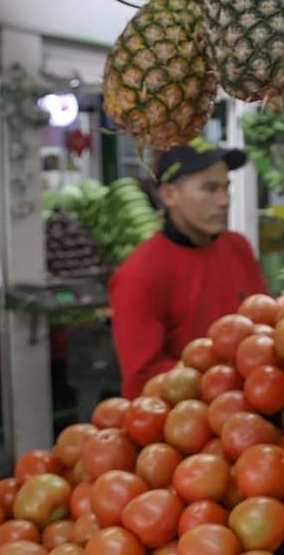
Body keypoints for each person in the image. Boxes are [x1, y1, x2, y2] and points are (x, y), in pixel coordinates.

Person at [109, 137, 268, 398]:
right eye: (210, 188)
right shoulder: (139, 272)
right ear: (169, 194)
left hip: (250, 400)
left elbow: (264, 323)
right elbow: (143, 374)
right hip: (184, 414)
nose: (224, 200)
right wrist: (221, 384)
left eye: (226, 187)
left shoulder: (238, 247)